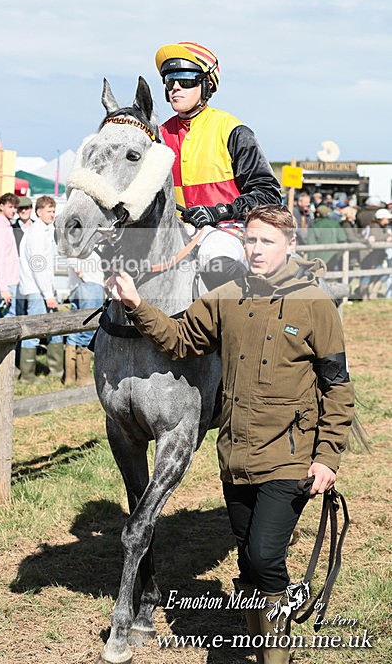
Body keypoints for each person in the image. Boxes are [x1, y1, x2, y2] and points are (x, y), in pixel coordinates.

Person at [108, 204, 355, 664]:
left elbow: (337, 387)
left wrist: (326, 458)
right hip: (236, 454)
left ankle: (277, 655)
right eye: (251, 240)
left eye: (267, 241)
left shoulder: (315, 303)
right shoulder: (226, 295)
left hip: (290, 454)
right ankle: (260, 650)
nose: (256, 249)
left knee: (264, 558)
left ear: (290, 245)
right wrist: (138, 306)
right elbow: (180, 339)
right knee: (246, 562)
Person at [154, 41, 282, 289]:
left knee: (213, 260)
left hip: (228, 229)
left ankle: (247, 319)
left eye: (186, 80)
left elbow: (269, 194)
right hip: (176, 230)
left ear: (207, 85)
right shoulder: (158, 136)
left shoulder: (234, 131)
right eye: (170, 81)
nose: (175, 88)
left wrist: (218, 212)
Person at [18, 196, 63, 381]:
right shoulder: (36, 233)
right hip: (37, 290)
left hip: (40, 288)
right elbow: (39, 267)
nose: (52, 215)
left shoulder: (41, 231)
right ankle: (28, 375)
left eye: (54, 211)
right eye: (49, 211)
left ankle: (55, 372)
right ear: (39, 212)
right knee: (34, 331)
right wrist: (48, 294)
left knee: (52, 328)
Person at [64, 252, 105, 386]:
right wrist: (78, 269)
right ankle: (83, 378)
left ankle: (69, 378)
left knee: (74, 331)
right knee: (87, 330)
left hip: (77, 284)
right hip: (88, 282)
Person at [0, 193, 20, 319]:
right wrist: (3, 288)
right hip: (5, 281)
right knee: (8, 319)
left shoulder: (3, 224)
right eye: (10, 207)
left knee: (0, 317)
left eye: (15, 207)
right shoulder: (0, 227)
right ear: (1, 206)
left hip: (4, 280)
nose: (14, 210)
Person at [306, 203, 344, 270]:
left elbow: (310, 244)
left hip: (319, 261)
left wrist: (310, 262)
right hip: (334, 258)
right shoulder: (336, 224)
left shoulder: (315, 226)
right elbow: (342, 238)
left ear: (318, 214)